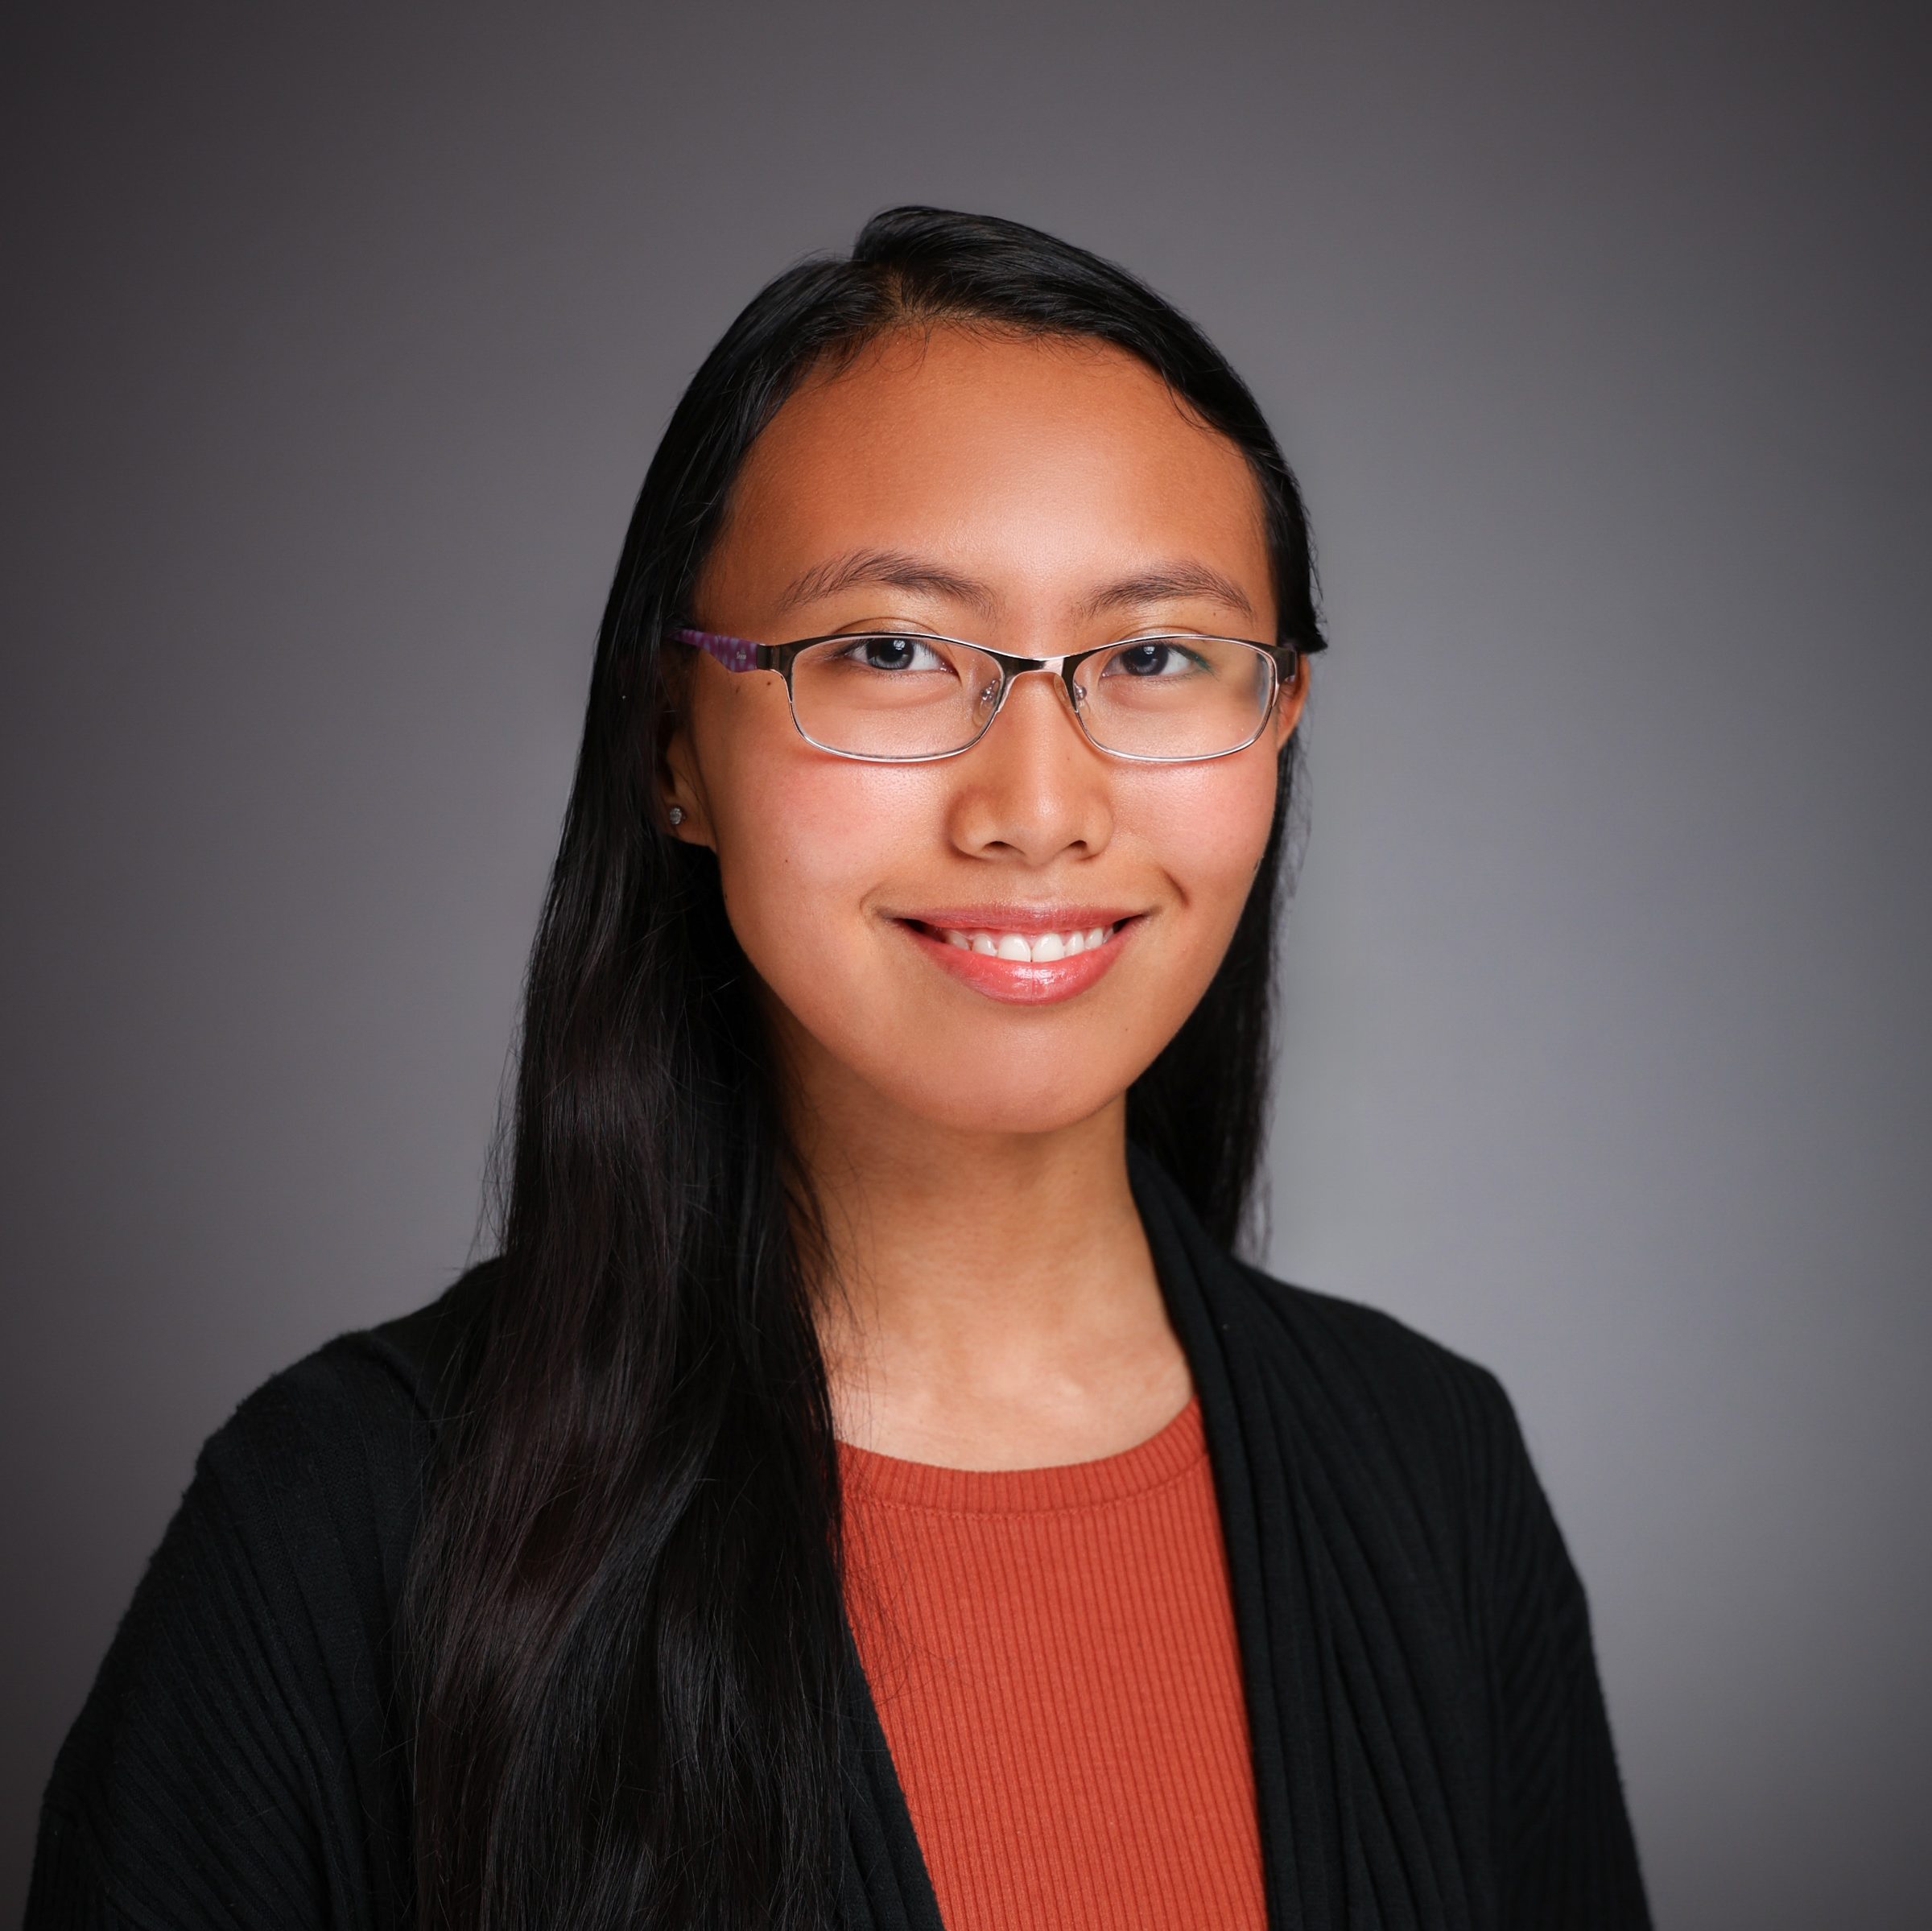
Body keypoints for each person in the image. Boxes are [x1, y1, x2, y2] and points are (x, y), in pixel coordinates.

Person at [25, 207, 1651, 1931]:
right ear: (677, 749)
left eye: (1159, 657)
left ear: (1282, 728)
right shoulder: (341, 1528)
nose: (1037, 805)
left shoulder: (1432, 1473)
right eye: (888, 650)